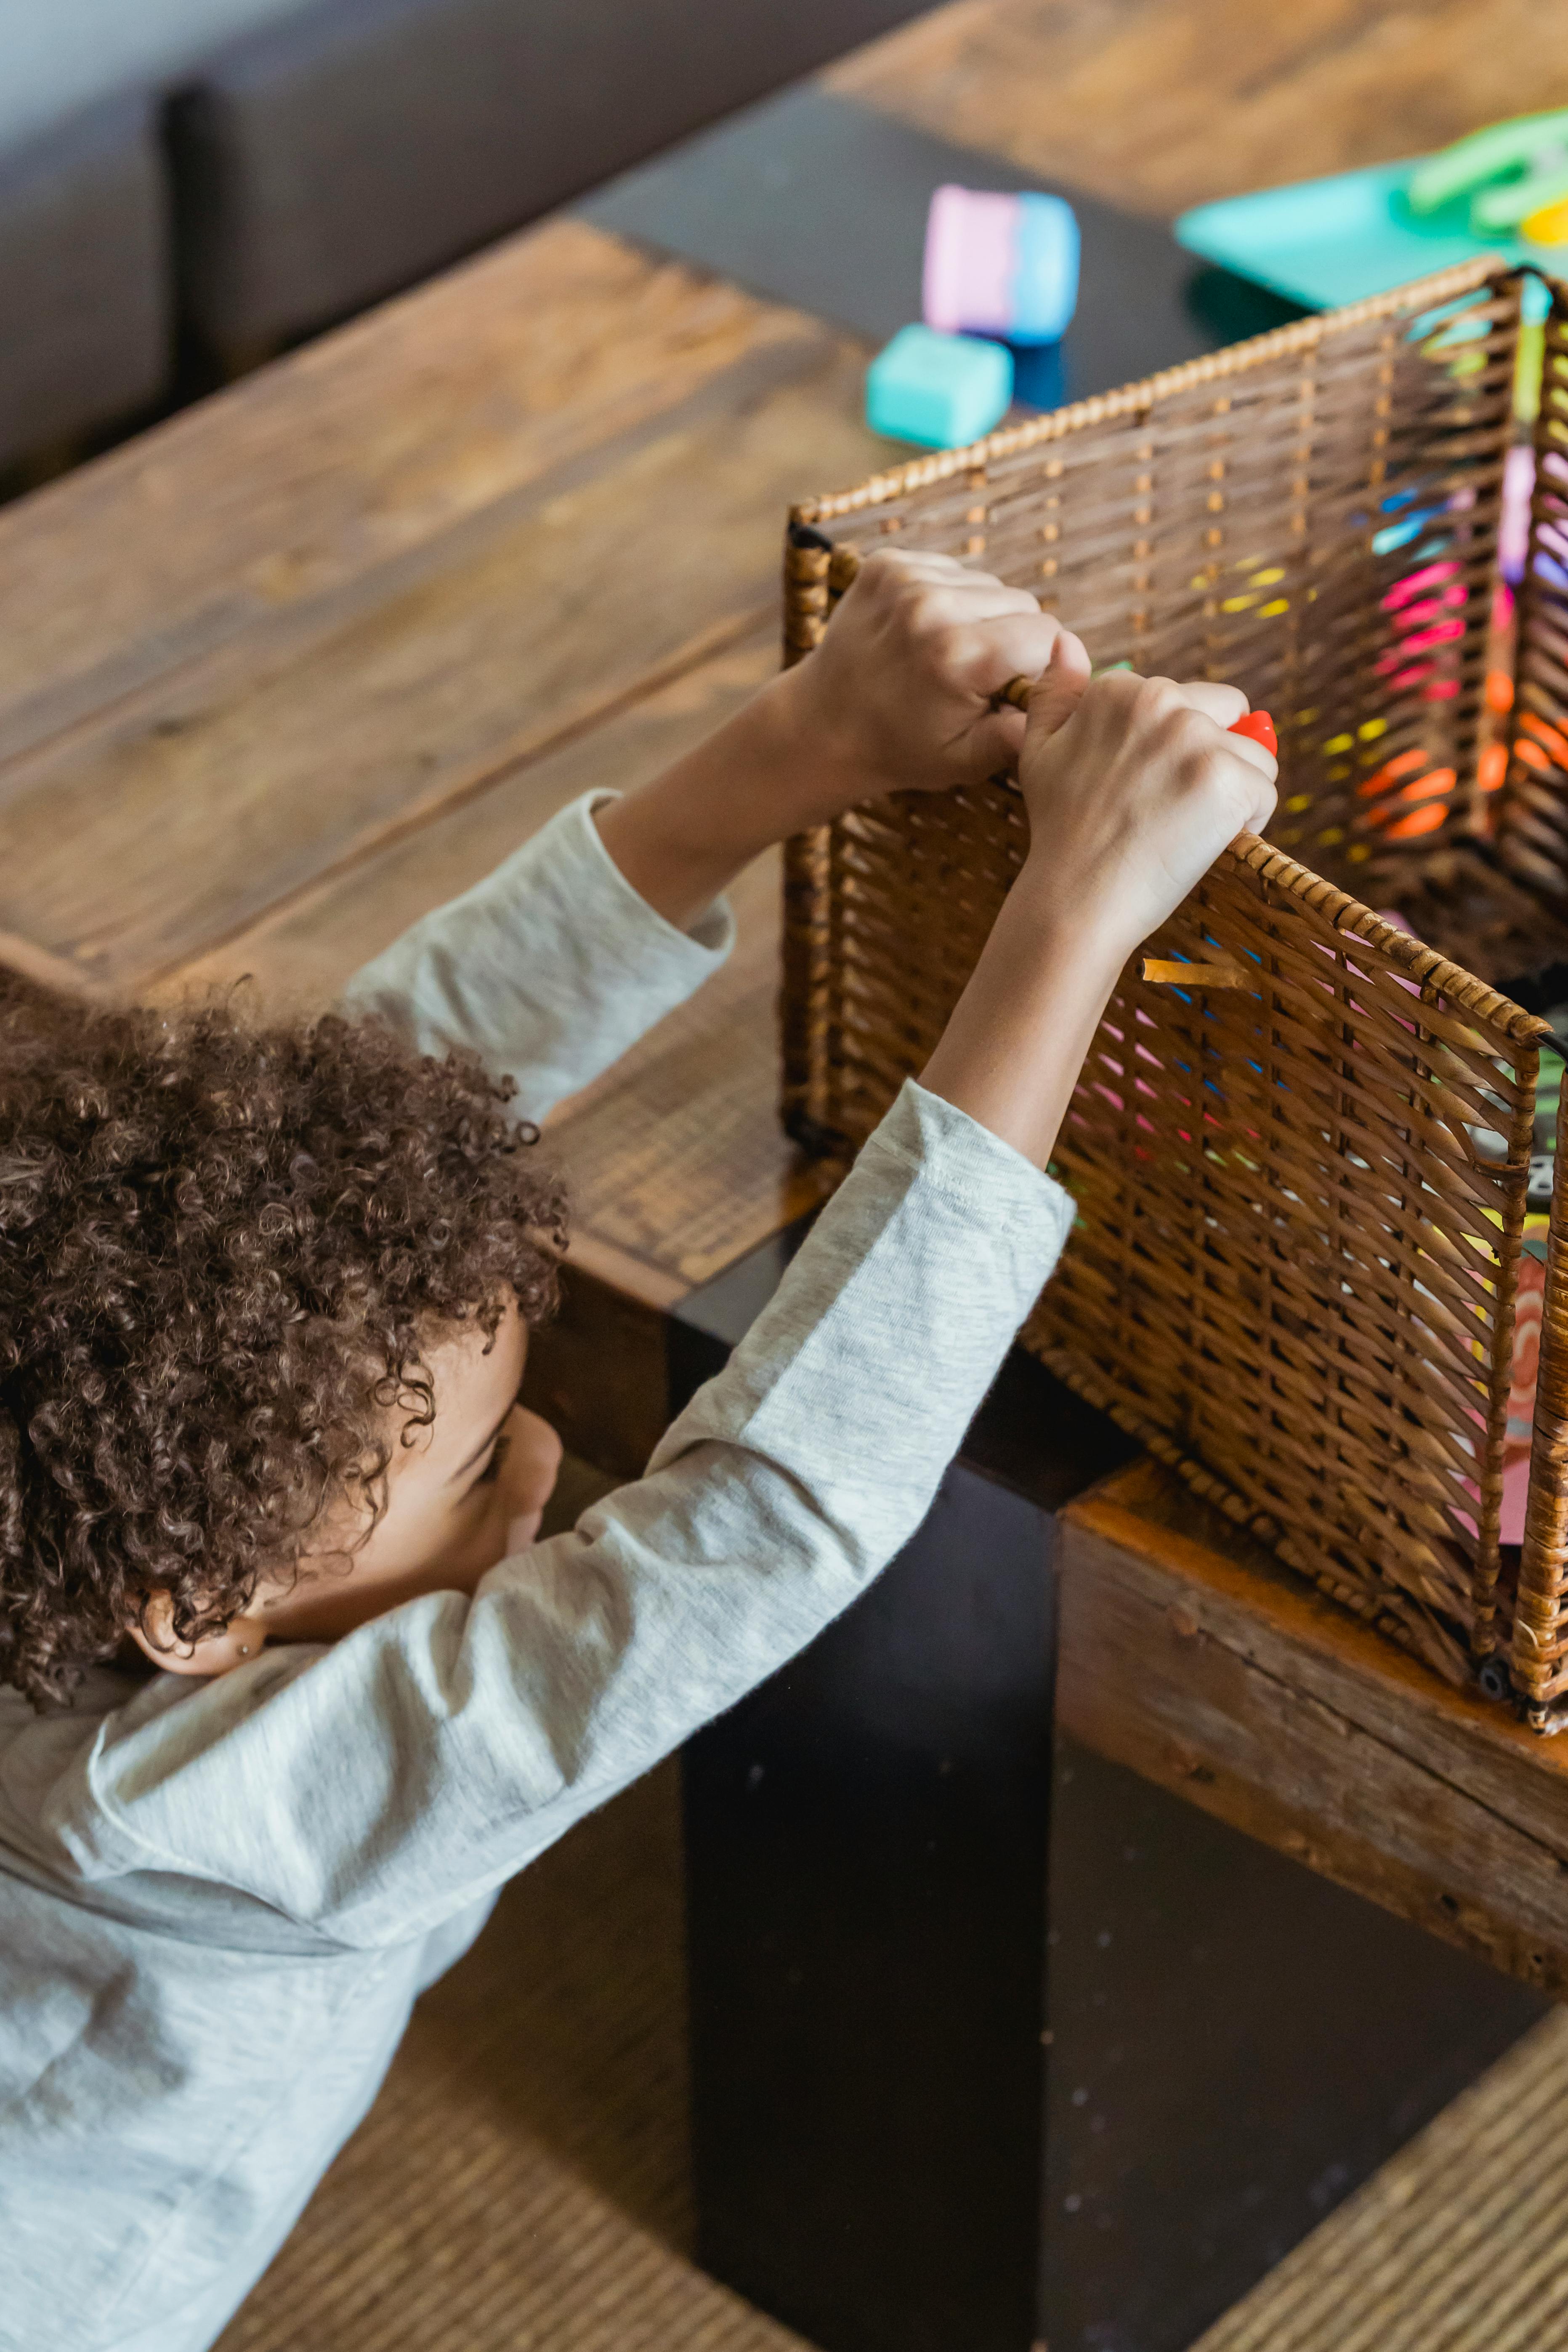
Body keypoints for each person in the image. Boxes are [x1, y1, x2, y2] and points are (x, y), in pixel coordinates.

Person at [0, 551, 1276, 2352]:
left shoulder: (75, 1428)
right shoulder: (196, 1817)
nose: (540, 1462)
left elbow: (368, 1103)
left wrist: (802, 741)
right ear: (197, 1611)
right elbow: (754, 1524)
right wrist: (1068, 915)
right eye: (469, 1475)